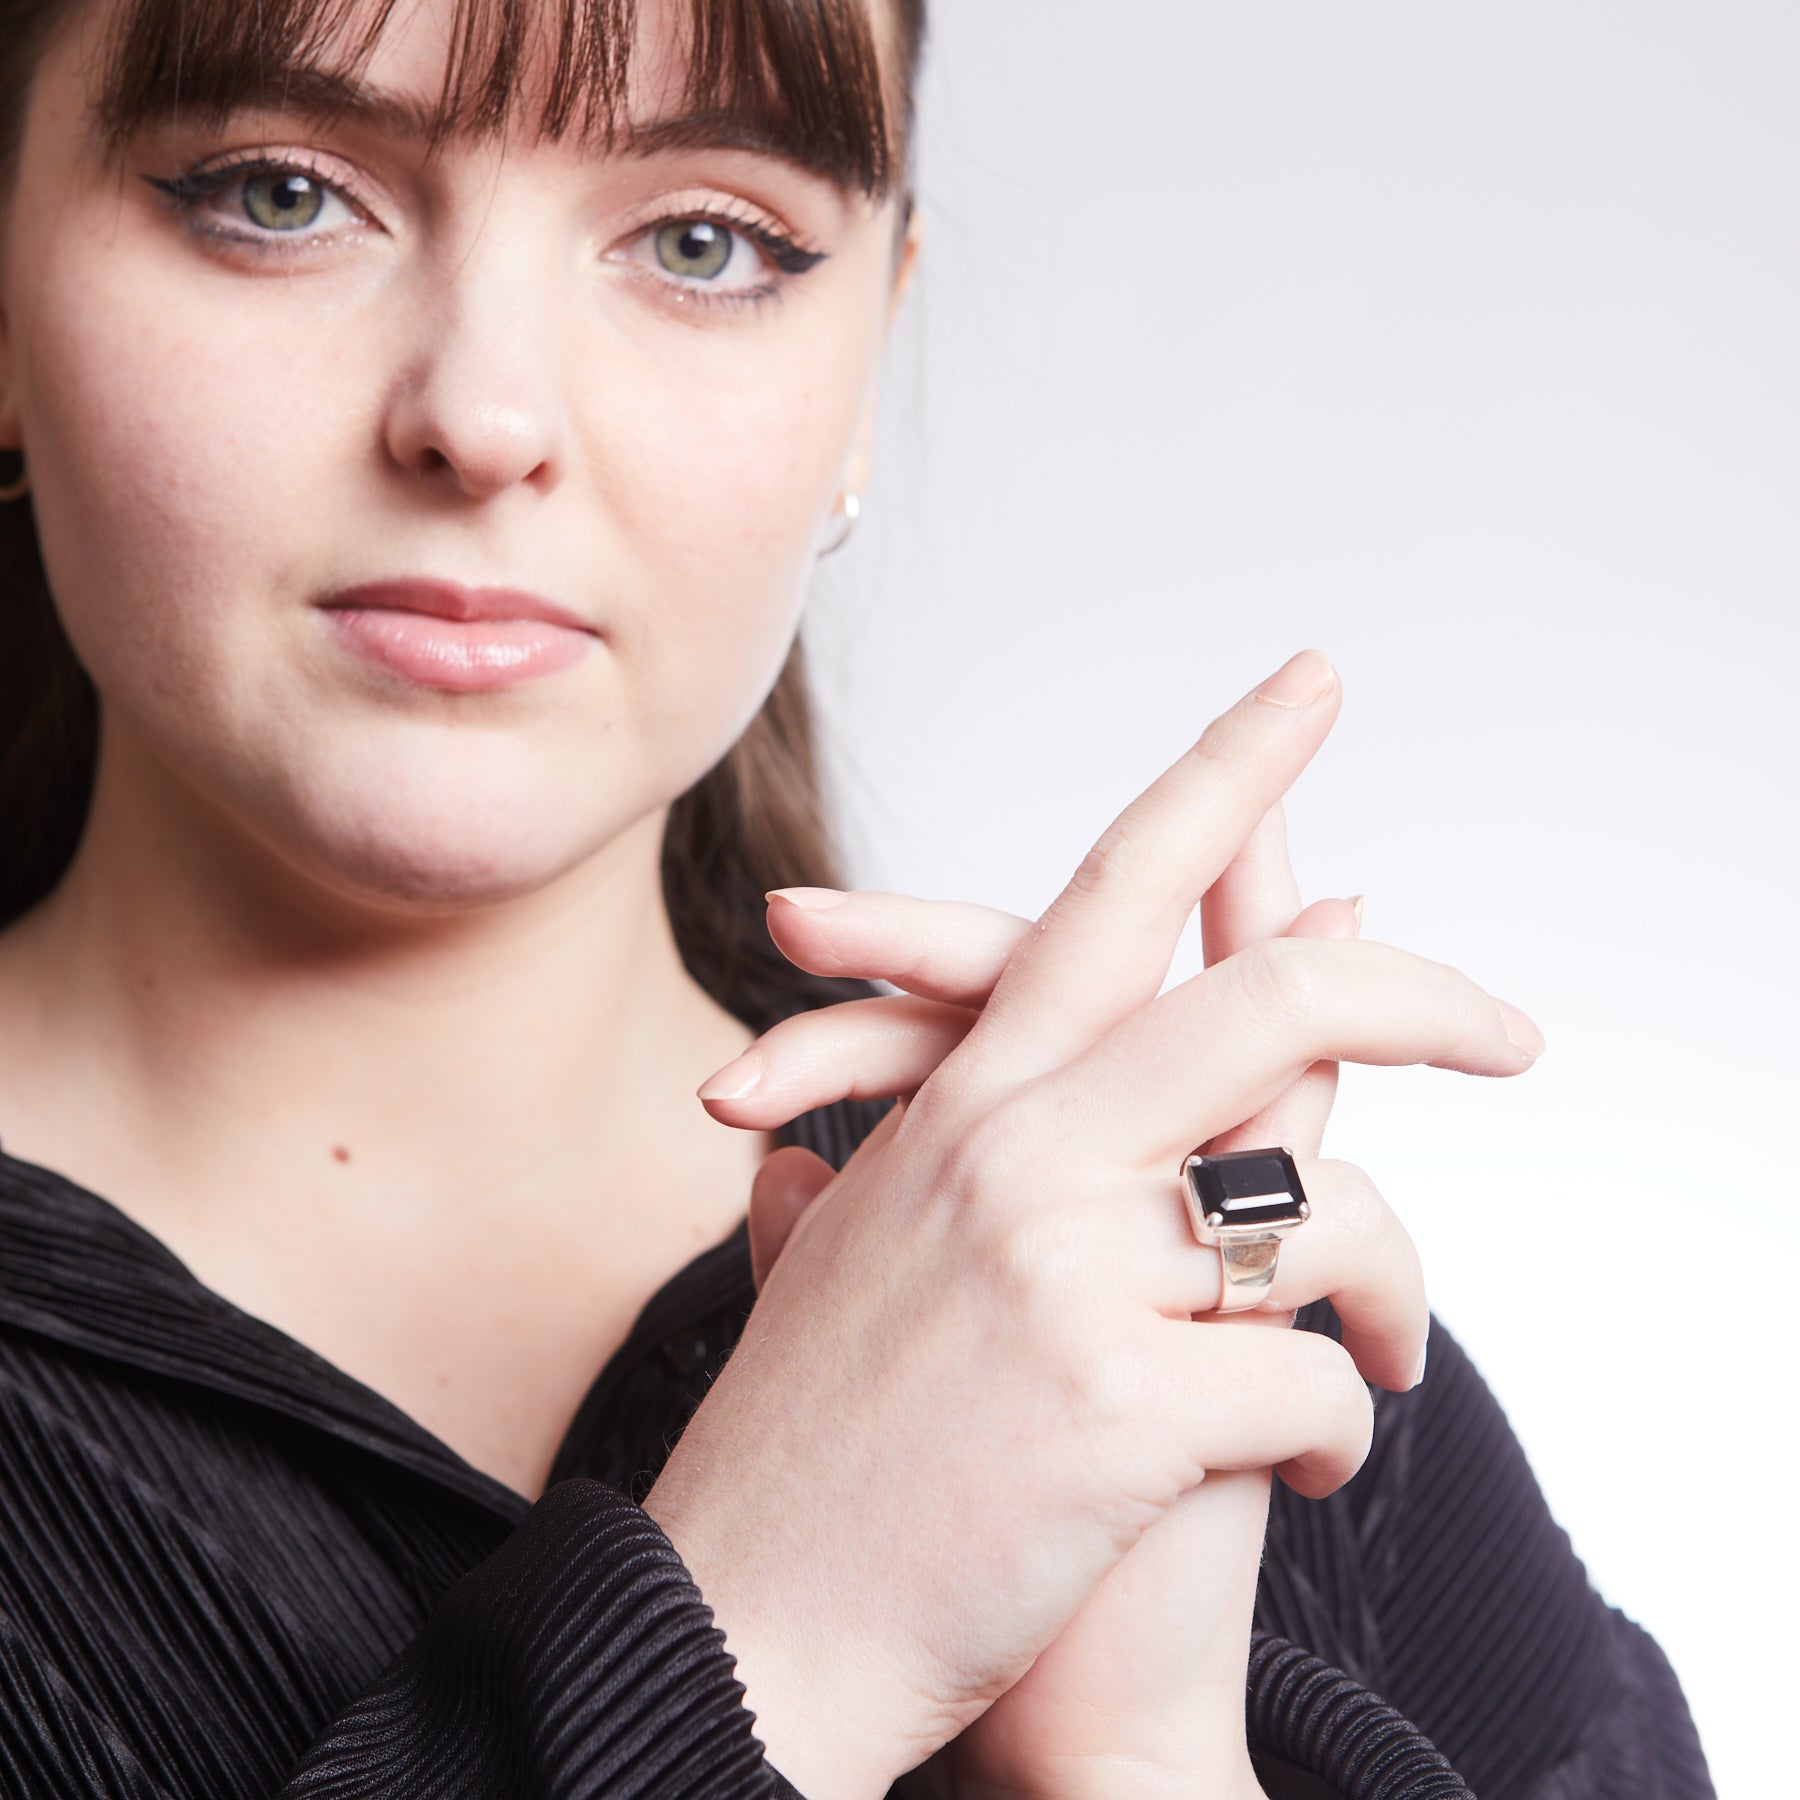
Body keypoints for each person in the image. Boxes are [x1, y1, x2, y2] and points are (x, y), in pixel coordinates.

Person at [0, 0, 1713, 1795]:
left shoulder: (1194, 1300)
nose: (486, 417)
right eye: (281, 193)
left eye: (702, 242)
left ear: (864, 365)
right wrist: (772, 1638)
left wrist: (1131, 1757)